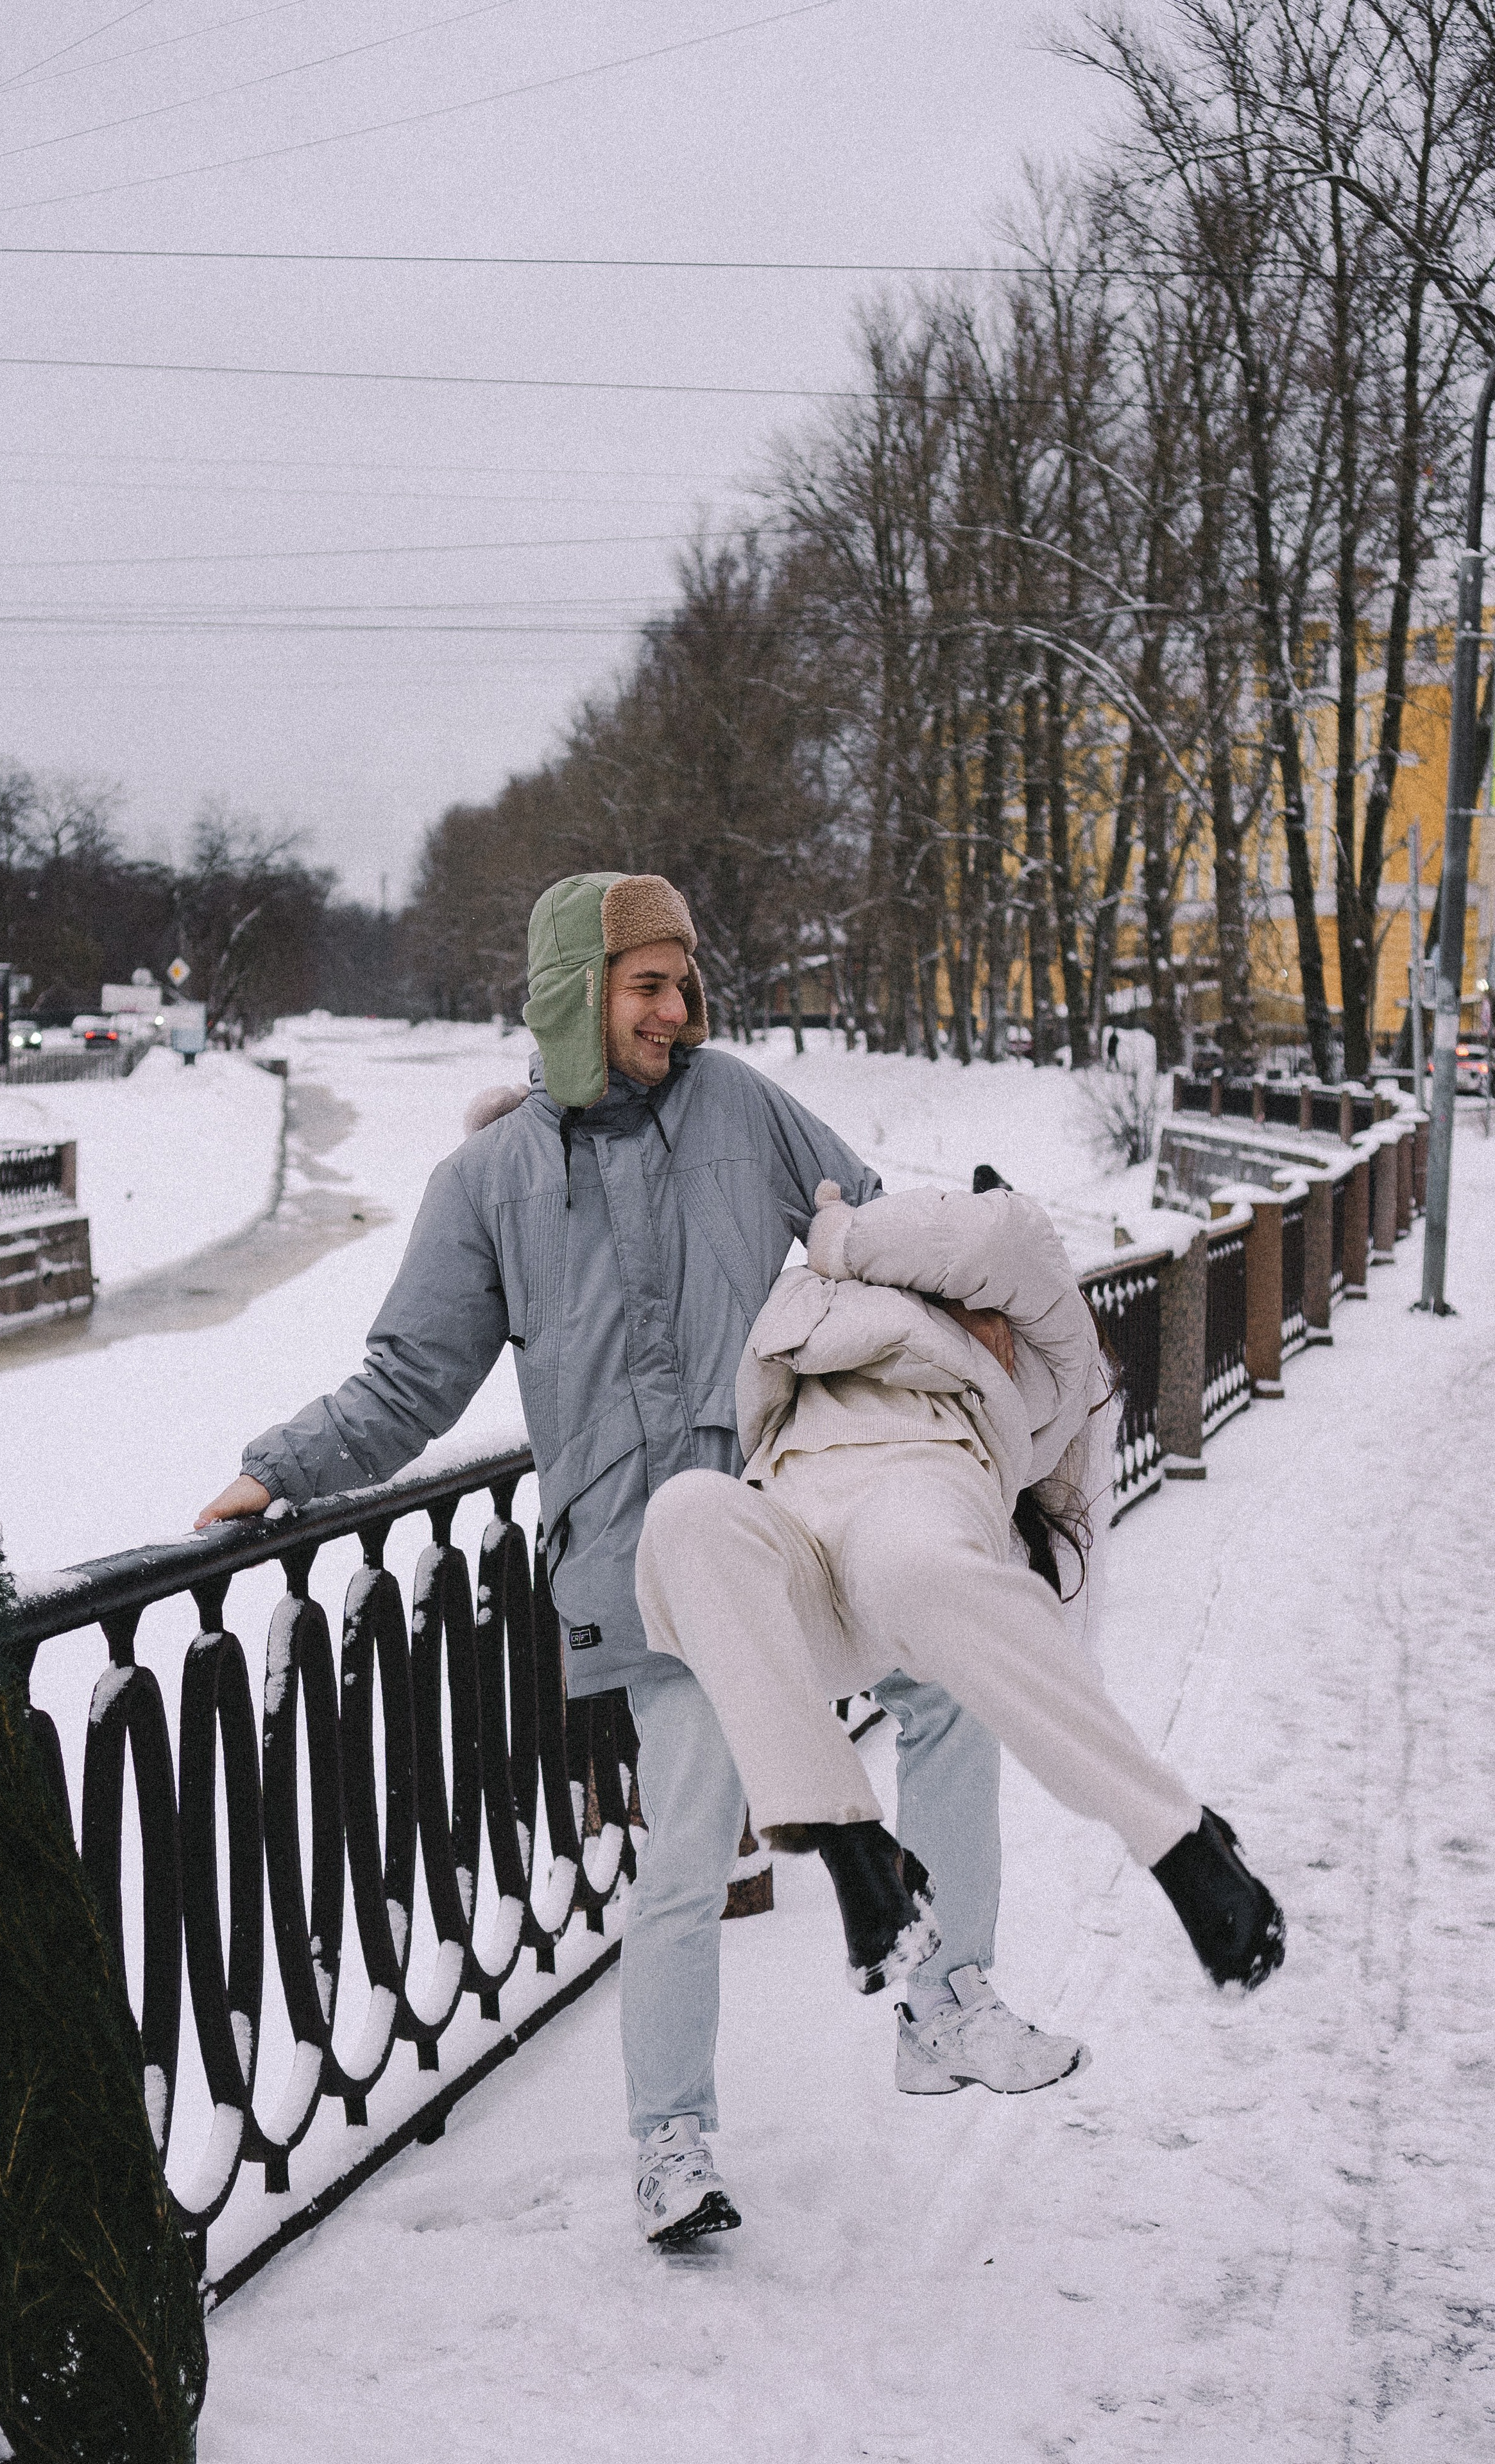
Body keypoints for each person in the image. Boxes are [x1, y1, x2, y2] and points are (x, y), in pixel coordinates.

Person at [196, 872, 1087, 2252]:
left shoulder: (741, 1107)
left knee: (948, 1692)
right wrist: (279, 1469)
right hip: (642, 1570)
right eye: (647, 986)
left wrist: (972, 1312)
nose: (678, 1009)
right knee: (683, 1852)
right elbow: (413, 1375)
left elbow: (874, 1234)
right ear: (574, 998)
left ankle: (943, 1999)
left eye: (685, 984)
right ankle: (669, 2144)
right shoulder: (486, 1184)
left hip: (800, 1524)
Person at [635, 1177, 1288, 2006]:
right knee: (686, 1511)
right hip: (793, 1524)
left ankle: (1181, 1843)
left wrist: (837, 1233)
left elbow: (991, 1241)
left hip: (915, 1478)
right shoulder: (840, 1291)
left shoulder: (1040, 1299)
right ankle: (852, 1843)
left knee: (915, 1568)